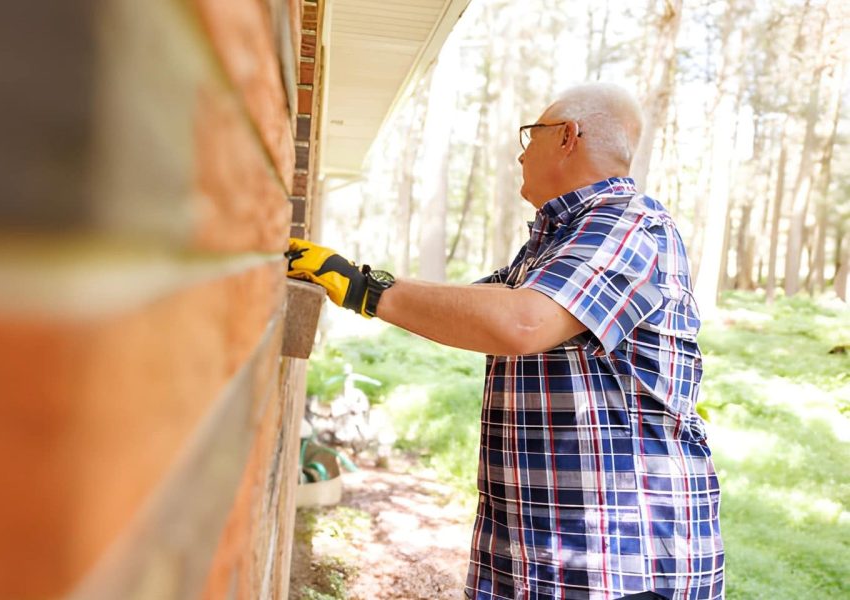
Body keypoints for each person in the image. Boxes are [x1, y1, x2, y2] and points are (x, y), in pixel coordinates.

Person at [286, 82, 724, 600]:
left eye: (530, 135)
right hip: (541, 557)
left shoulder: (632, 226)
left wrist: (364, 287)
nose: (521, 152)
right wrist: (350, 281)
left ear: (567, 136)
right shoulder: (556, 244)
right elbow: (471, 311)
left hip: (619, 560)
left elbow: (521, 323)